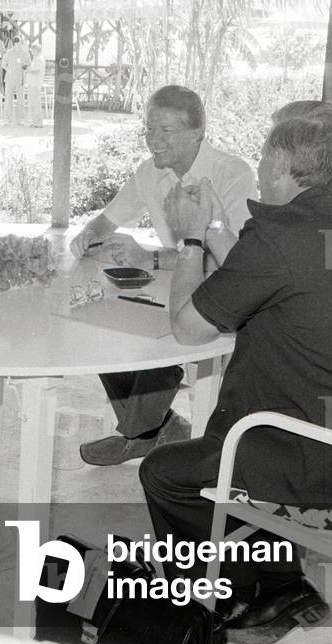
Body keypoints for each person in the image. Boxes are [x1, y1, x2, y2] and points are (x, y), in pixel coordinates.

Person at [139, 101, 332, 644]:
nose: (261, 163)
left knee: (167, 472)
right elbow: (263, 271)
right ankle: (281, 583)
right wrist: (217, 226)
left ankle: (235, 596)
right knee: (252, 433)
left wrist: (192, 242)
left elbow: (187, 328)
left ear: (281, 164)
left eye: (265, 152)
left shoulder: (283, 238)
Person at [69, 85, 257, 465]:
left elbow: (239, 263)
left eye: (165, 131)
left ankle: (138, 433)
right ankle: (157, 426)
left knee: (161, 339)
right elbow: (110, 216)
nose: (153, 140)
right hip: (172, 285)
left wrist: (151, 259)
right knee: (101, 318)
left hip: (224, 293)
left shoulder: (232, 174)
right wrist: (91, 234)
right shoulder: (149, 174)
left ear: (197, 133)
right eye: (148, 129)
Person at [1, 37, 29, 125]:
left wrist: (25, 69)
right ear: (14, 44)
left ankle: (20, 119)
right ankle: (7, 119)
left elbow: (28, 64)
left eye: (20, 43)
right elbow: (3, 64)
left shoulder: (25, 53)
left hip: (20, 78)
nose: (19, 45)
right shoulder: (8, 53)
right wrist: (9, 70)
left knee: (21, 99)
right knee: (8, 99)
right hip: (9, 78)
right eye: (17, 43)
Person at [26, 44, 46, 128]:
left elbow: (37, 72)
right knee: (33, 103)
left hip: (35, 84)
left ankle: (38, 122)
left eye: (32, 50)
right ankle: (34, 121)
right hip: (32, 83)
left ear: (36, 50)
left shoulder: (39, 59)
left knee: (36, 103)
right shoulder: (35, 59)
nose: (31, 52)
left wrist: (28, 70)